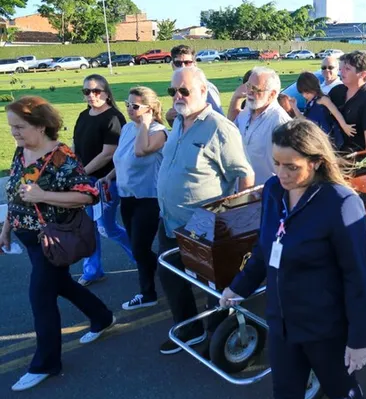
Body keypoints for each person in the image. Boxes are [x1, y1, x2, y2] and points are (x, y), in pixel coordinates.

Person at [220, 120, 366, 399]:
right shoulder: (274, 190)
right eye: (276, 163)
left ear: (316, 162)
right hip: (282, 324)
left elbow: (355, 275)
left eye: (291, 166)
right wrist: (239, 287)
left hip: (324, 329)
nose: (281, 173)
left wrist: (360, 339)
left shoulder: (341, 204)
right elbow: (265, 247)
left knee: (342, 393)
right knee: (285, 398)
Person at [3, 97, 115, 392]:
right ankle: (102, 317)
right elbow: (16, 193)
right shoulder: (22, 151)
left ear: (41, 126)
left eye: (19, 127)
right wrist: (6, 228)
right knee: (62, 285)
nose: (13, 132)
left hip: (53, 241)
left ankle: (46, 363)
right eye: (11, 127)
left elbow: (88, 195)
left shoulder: (62, 157)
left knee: (41, 298)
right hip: (28, 237)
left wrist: (44, 196)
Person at [156, 66, 255, 355]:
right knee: (171, 276)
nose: (177, 96)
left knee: (213, 285)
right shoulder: (178, 122)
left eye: (184, 90)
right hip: (170, 221)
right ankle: (190, 331)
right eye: (172, 91)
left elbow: (244, 174)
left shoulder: (220, 127)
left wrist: (236, 217)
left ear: (203, 91)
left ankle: (220, 335)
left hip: (203, 226)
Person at [108, 87, 168, 310]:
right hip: (127, 197)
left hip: (149, 198)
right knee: (137, 249)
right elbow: (122, 158)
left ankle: (148, 293)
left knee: (140, 248)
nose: (129, 109)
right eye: (128, 104)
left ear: (150, 109)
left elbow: (141, 151)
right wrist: (109, 175)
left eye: (135, 106)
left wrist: (145, 123)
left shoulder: (159, 132)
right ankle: (168, 273)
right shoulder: (126, 129)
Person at [73, 74, 132, 286]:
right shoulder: (83, 115)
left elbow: (108, 154)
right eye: (87, 91)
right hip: (84, 180)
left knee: (107, 227)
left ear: (106, 93)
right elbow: (77, 146)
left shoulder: (113, 118)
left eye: (96, 91)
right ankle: (92, 270)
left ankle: (142, 259)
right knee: (88, 227)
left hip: (106, 181)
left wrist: (83, 172)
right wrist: (74, 169)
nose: (91, 95)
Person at [234, 67, 292, 185]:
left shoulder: (280, 121)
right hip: (240, 193)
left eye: (255, 89)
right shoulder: (246, 112)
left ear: (272, 94)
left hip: (264, 195)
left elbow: (290, 164)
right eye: (248, 86)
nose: (249, 91)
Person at [329, 51, 366, 152]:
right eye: (342, 68)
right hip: (333, 157)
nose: (341, 71)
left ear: (362, 74)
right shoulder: (337, 91)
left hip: (354, 162)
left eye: (347, 69)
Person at [291, 72, 355, 149]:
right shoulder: (309, 103)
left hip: (327, 139)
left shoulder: (323, 99)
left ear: (313, 88)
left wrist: (344, 126)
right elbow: (304, 120)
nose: (304, 95)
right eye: (302, 93)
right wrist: (294, 107)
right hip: (314, 139)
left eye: (307, 92)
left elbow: (336, 113)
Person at [170, 44, 224, 116]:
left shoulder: (207, 88)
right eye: (178, 63)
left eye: (187, 63)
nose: (183, 66)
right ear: (173, 66)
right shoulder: (175, 87)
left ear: (195, 64)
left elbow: (219, 116)